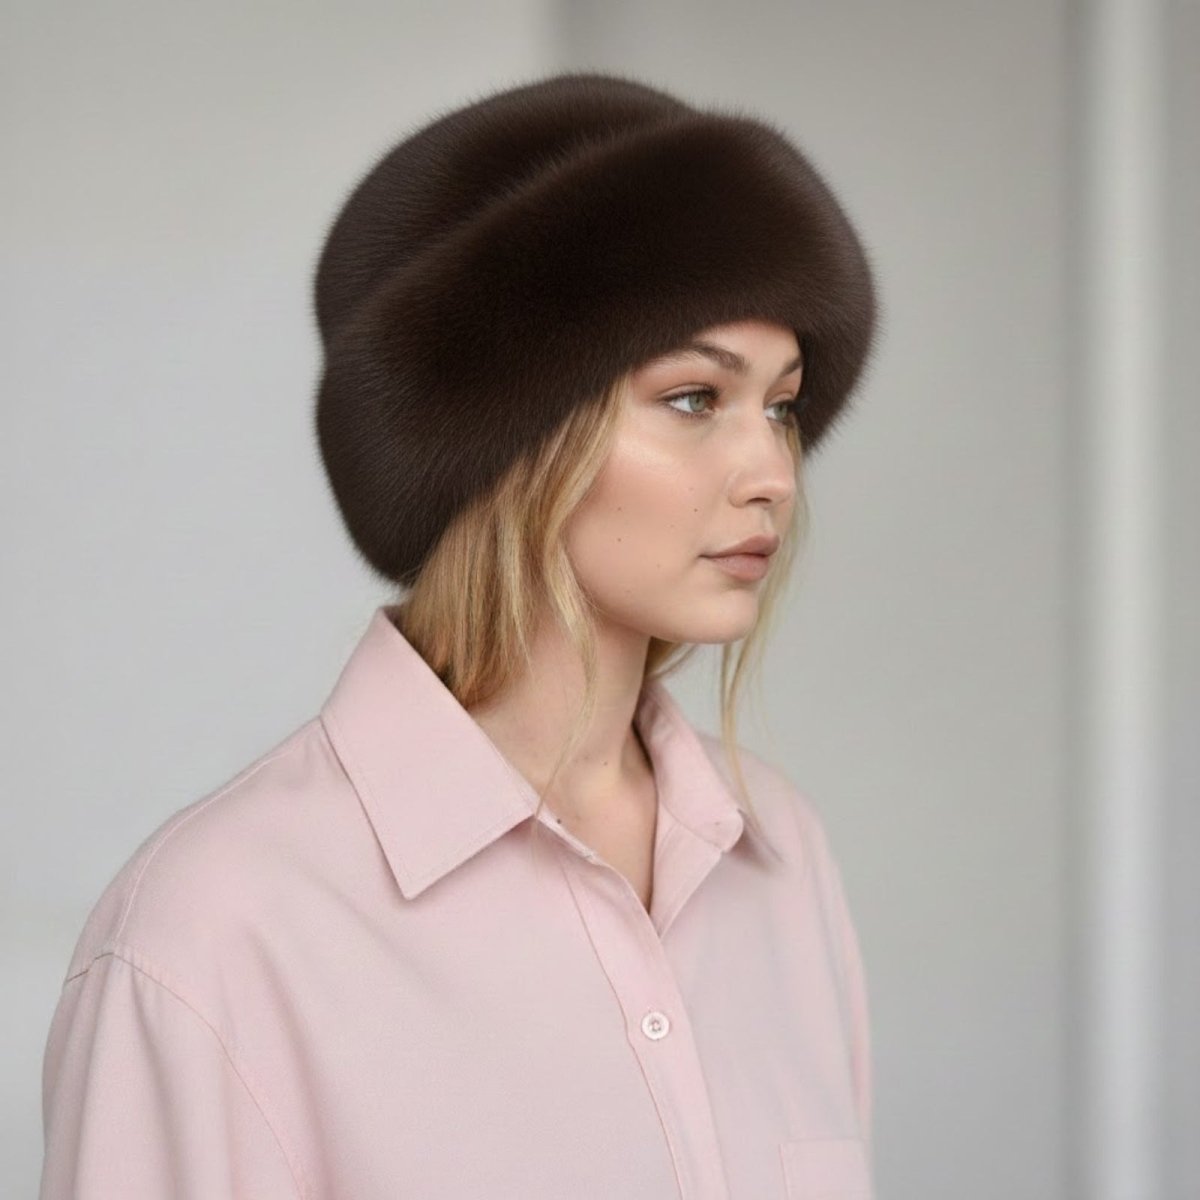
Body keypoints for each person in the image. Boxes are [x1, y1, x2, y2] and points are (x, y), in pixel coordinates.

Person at [38, 70, 881, 1198]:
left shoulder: (780, 858)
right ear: (514, 437)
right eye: (693, 400)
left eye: (781, 404)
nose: (774, 473)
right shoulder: (214, 936)